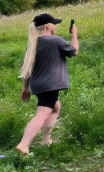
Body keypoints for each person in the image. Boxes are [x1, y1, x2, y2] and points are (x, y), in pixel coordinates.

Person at [16, 13, 79, 155]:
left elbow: (28, 69)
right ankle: (24, 145)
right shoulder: (54, 40)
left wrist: (25, 88)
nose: (56, 26)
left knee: (55, 107)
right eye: (54, 23)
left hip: (38, 85)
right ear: (47, 26)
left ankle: (46, 140)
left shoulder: (33, 44)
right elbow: (74, 51)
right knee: (42, 113)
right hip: (51, 84)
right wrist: (74, 34)